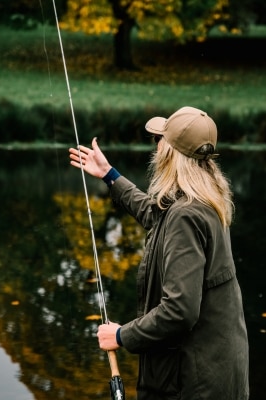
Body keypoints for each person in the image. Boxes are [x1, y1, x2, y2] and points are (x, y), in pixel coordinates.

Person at [69, 106, 249, 400]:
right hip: (219, 373)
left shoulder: (186, 214)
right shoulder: (207, 199)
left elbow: (179, 311)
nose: (155, 146)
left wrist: (120, 335)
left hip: (193, 385)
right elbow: (157, 217)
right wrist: (109, 175)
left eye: (159, 140)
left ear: (171, 153)